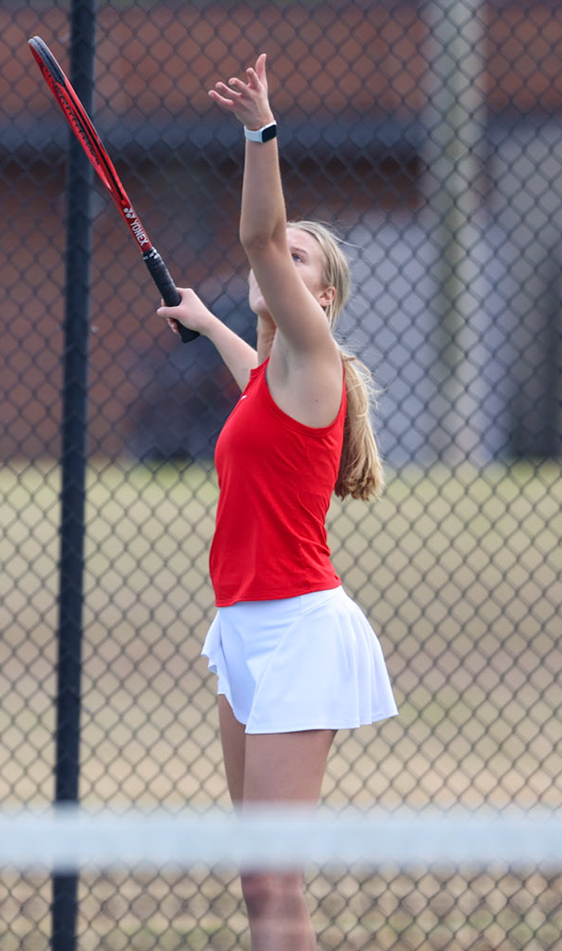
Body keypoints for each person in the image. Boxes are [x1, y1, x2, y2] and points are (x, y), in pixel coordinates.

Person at [156, 53, 397, 951]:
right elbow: (250, 370)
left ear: (320, 298)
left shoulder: (318, 361)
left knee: (271, 875)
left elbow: (259, 239)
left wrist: (261, 131)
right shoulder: (274, 378)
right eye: (282, 249)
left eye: (300, 257)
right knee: (253, 877)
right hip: (245, 629)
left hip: (301, 630)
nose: (276, 254)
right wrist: (208, 321)